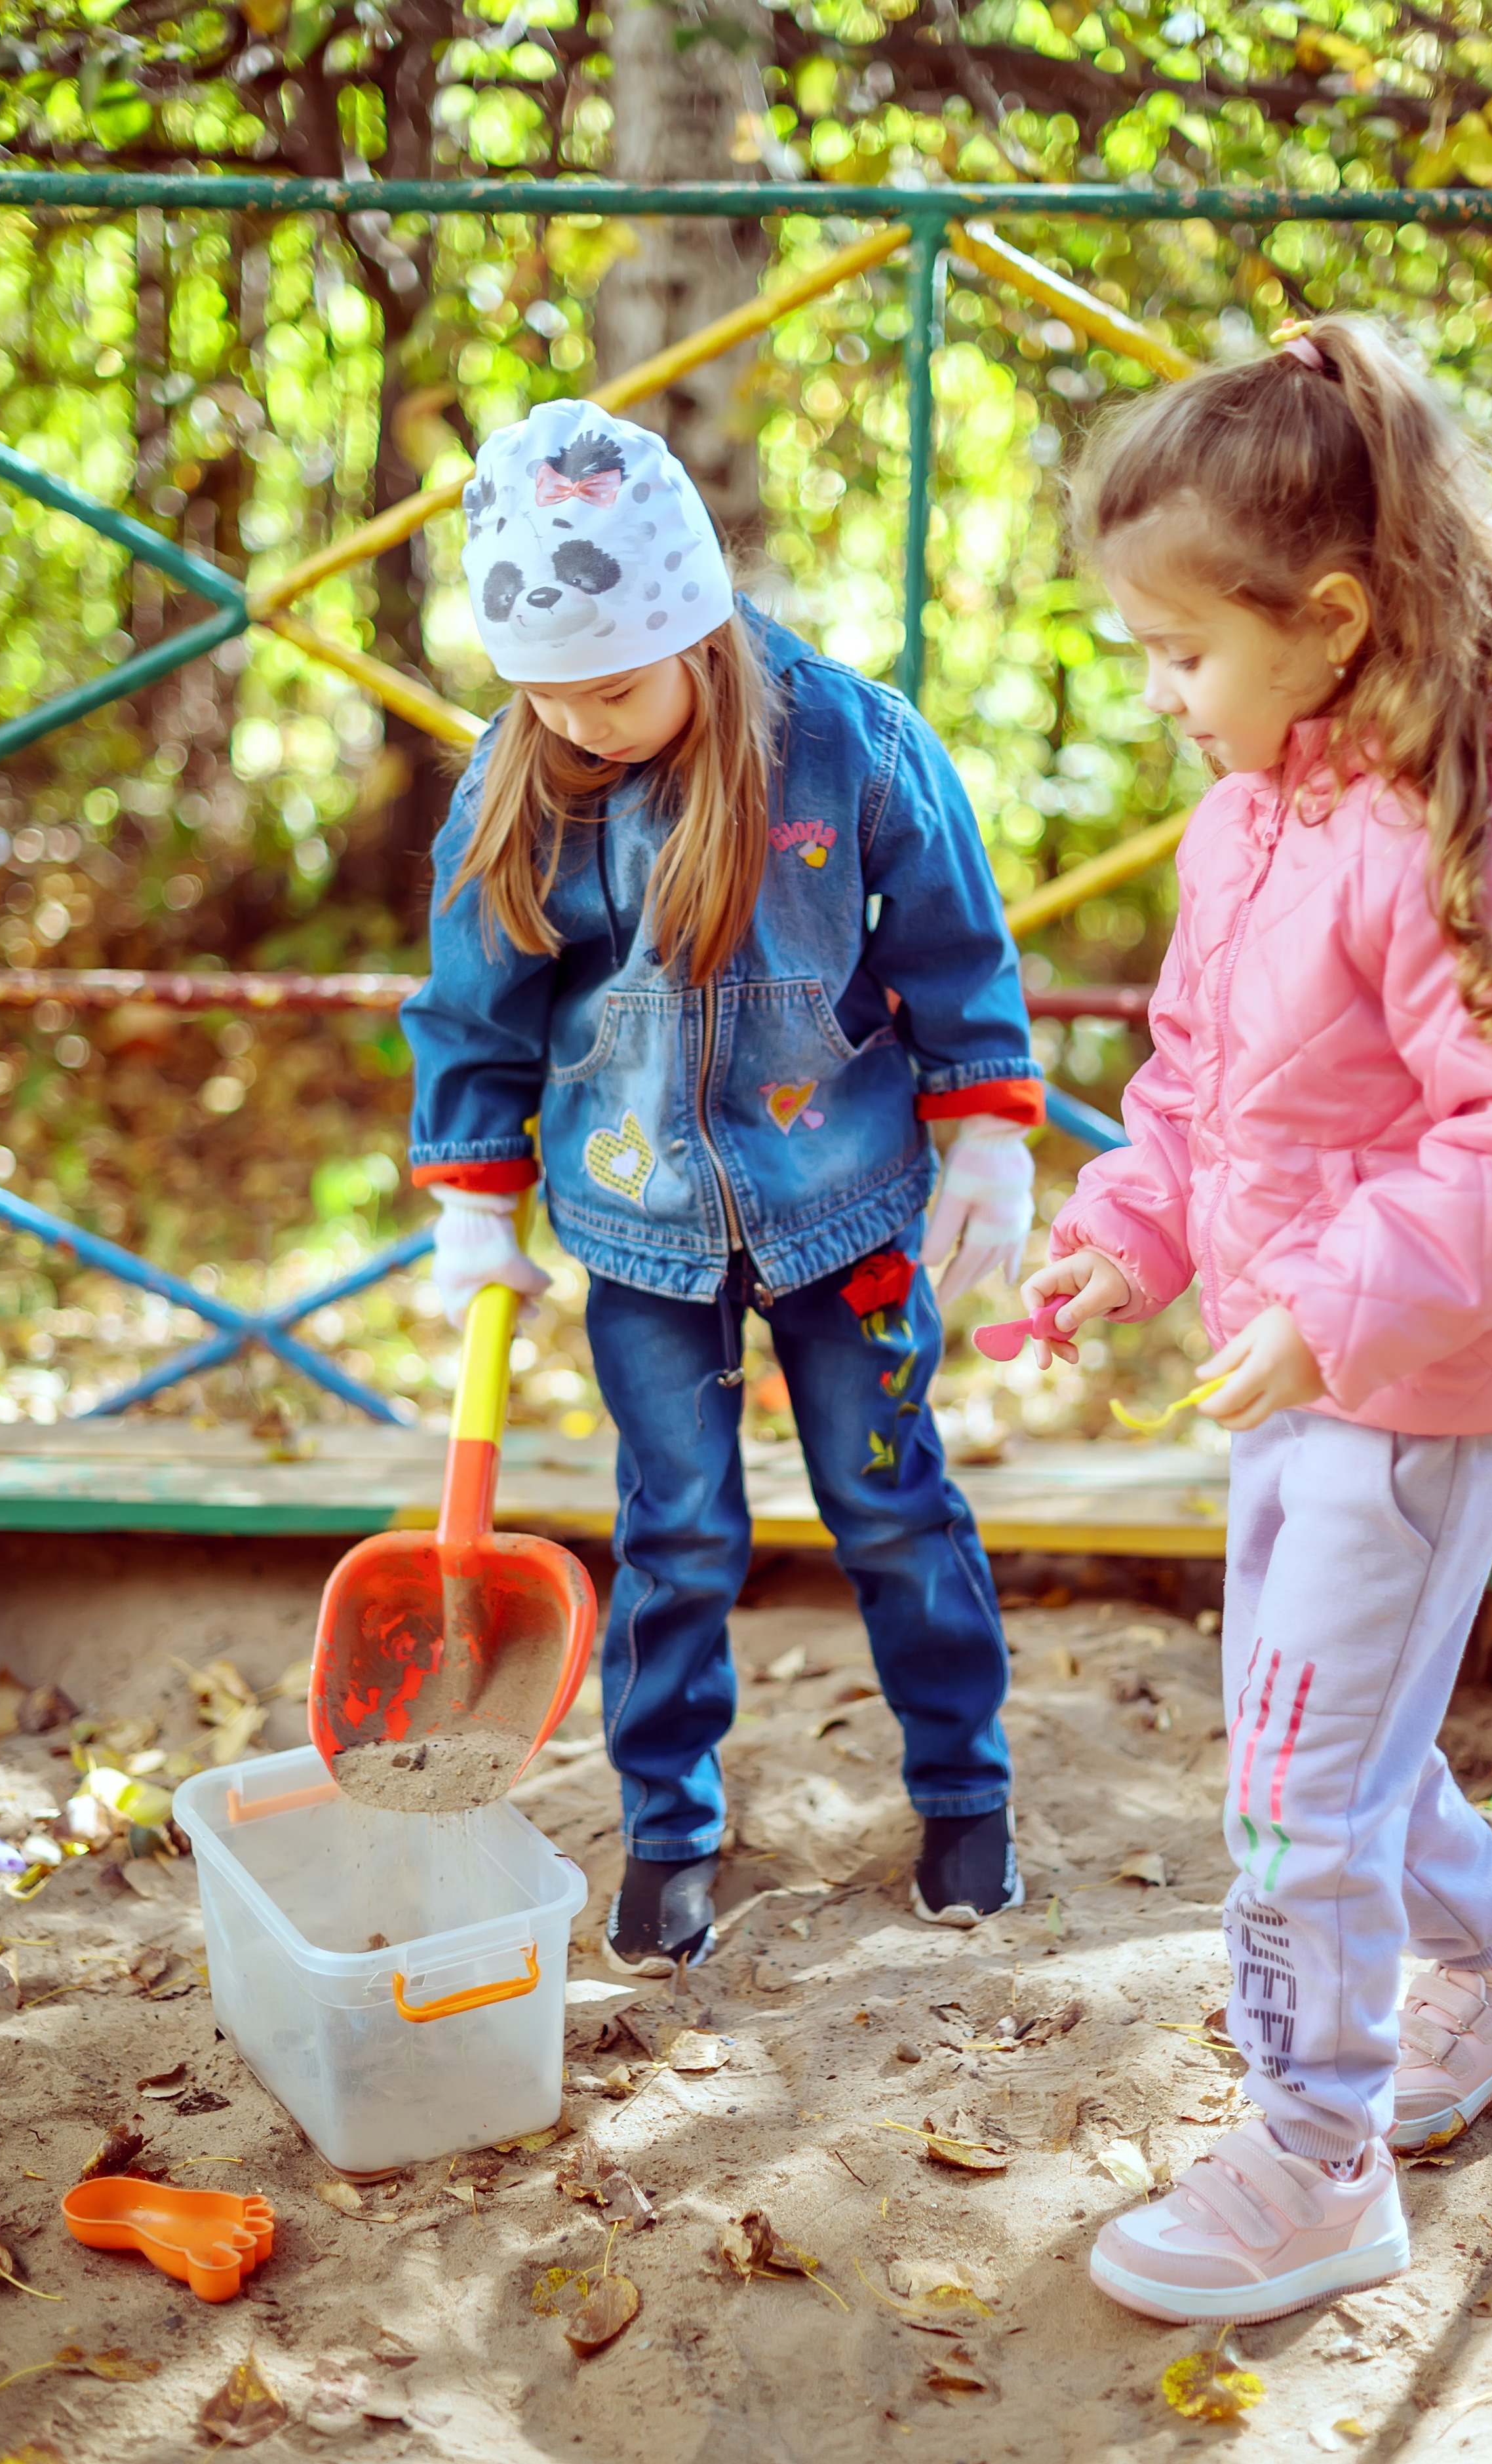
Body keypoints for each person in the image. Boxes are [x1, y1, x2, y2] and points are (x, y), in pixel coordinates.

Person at [1023, 318, 1492, 2324]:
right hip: (1305, 1363)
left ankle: (1316, 2160)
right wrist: (1128, 1235)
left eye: (1181, 651)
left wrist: (1333, 1310)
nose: (1159, 690)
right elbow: (1200, 1081)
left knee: (1299, 1784)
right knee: (1327, 1737)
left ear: (1335, 618)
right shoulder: (1254, 816)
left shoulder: (1475, 828)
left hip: (1423, 1382)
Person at [402, 399, 1044, 1973]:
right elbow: (476, 1010)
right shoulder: (521, 777)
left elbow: (953, 950)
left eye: (615, 688)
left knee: (891, 1503)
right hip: (639, 1233)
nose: (581, 723)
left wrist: (987, 1133)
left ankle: (964, 1795)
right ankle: (669, 1826)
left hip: (849, 1212)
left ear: (696, 626)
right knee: (676, 1532)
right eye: (547, 694)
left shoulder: (850, 744)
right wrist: (474, 1207)